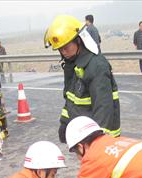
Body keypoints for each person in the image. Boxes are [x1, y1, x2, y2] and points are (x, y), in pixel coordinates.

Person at [44, 15, 120, 143]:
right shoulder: (72, 65)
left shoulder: (96, 66)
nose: (63, 52)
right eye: (60, 49)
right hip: (83, 135)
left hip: (101, 139)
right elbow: (71, 99)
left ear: (78, 41)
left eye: (66, 47)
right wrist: (65, 123)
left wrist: (98, 142)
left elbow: (103, 108)